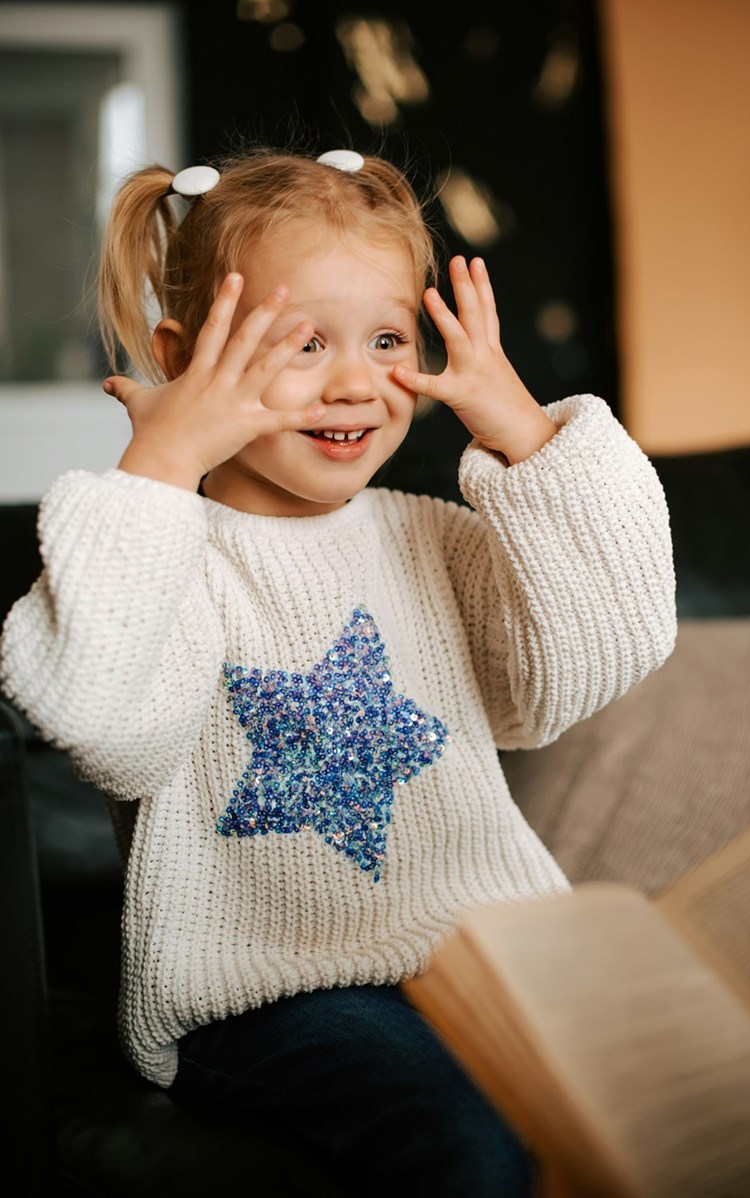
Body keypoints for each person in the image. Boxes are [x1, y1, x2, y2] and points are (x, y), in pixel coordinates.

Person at [0, 143, 676, 1196]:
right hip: (276, 994)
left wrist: (529, 436)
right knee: (466, 1144)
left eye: (387, 337)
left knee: (673, 1106)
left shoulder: (435, 538)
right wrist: (162, 465)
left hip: (494, 958)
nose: (355, 380)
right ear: (184, 356)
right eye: (302, 341)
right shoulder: (168, 554)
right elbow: (99, 719)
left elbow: (593, 660)